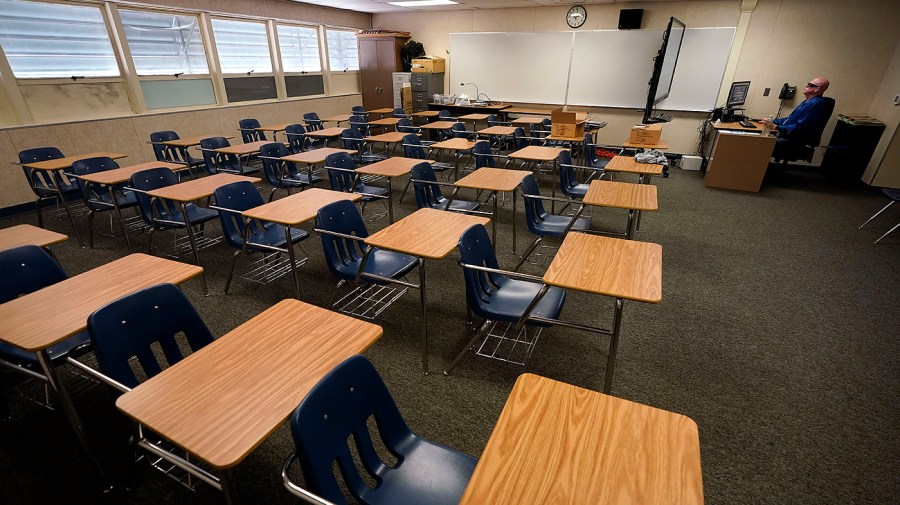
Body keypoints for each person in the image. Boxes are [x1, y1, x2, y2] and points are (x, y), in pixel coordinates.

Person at [766, 77, 833, 160]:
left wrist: (777, 127)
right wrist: (771, 121)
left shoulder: (816, 104)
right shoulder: (807, 102)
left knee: (760, 143)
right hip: (787, 136)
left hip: (793, 140)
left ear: (817, 89)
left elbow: (799, 127)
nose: (805, 86)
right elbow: (789, 119)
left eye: (809, 85)